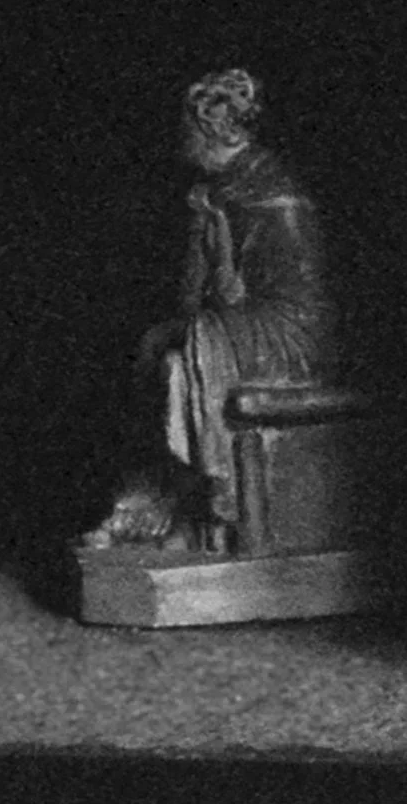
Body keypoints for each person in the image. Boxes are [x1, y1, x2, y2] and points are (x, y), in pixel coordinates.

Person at [85, 68, 339, 550]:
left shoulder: (270, 193)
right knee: (168, 351)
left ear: (212, 130)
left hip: (294, 329)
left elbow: (252, 296)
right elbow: (196, 295)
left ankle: (198, 502)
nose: (180, 139)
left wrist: (215, 239)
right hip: (253, 319)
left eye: (187, 129)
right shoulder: (219, 188)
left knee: (180, 346)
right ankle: (160, 502)